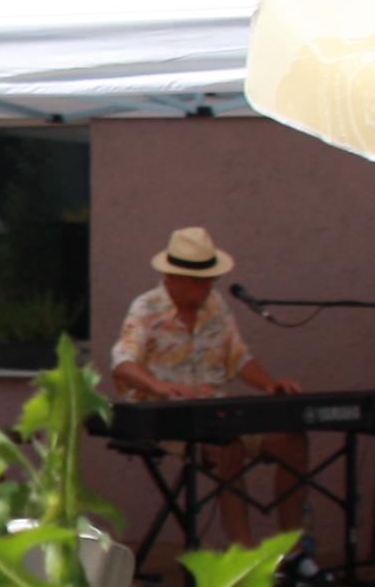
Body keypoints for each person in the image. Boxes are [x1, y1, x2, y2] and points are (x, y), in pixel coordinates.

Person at [107, 226, 304, 544]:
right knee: (229, 447)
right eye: (201, 281)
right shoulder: (146, 307)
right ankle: (244, 557)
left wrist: (269, 383)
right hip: (167, 417)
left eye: (211, 280)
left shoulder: (216, 306)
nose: (208, 287)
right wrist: (160, 387)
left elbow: (238, 358)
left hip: (216, 412)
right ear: (176, 278)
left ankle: (294, 548)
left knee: (291, 439)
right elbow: (123, 362)